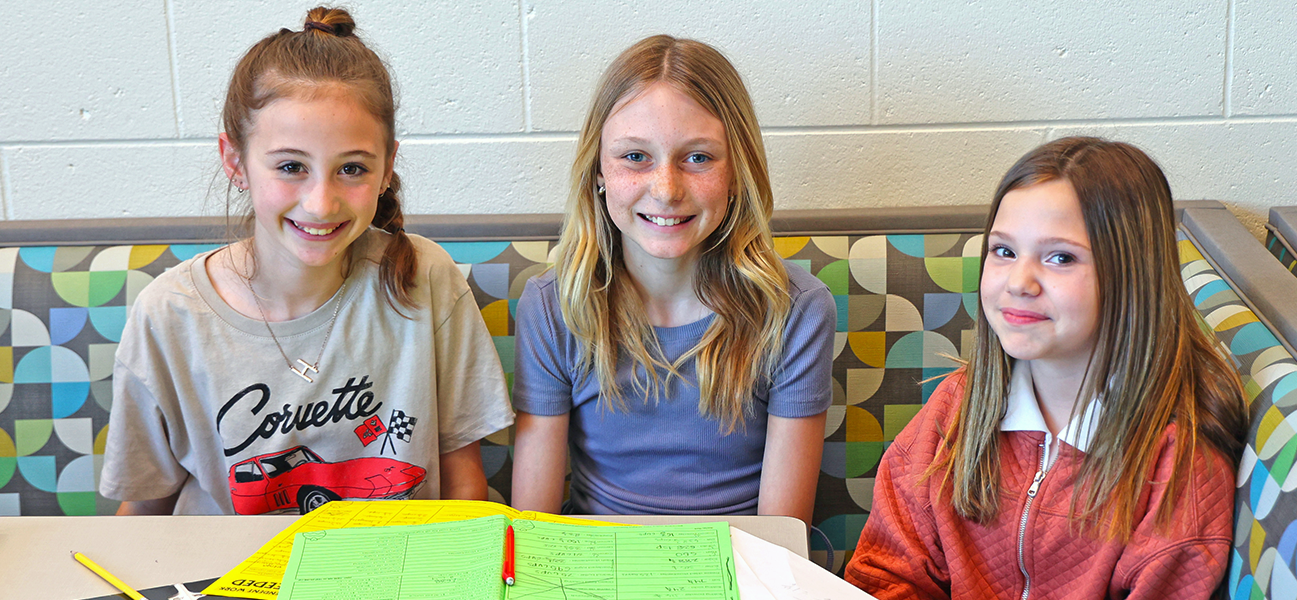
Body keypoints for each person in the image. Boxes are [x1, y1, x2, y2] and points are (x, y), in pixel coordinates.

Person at [99, 7, 513, 515]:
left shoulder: (424, 278)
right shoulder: (168, 314)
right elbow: (142, 514)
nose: (321, 202)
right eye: (291, 166)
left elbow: (464, 485)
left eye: (352, 168)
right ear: (236, 162)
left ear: (387, 169)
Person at [844, 137, 1248, 598]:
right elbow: (884, 575)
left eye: (1060, 257)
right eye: (1004, 251)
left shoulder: (1177, 459)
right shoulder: (956, 407)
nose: (1019, 282)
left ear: (1133, 275)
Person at [508, 35, 833, 522]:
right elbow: (532, 527)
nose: (666, 190)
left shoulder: (796, 310)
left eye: (698, 157)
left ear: (737, 172)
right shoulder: (554, 306)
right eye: (635, 157)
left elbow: (782, 534)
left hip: (743, 568)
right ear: (598, 170)